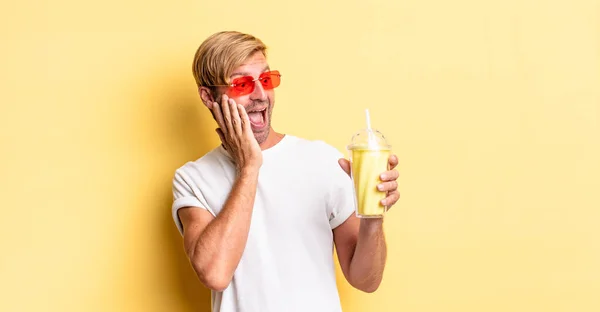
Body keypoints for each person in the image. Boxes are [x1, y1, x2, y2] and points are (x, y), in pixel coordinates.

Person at [171, 31, 401, 312]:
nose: (260, 95)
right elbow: (215, 274)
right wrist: (249, 167)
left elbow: (366, 280)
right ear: (209, 97)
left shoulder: (322, 160)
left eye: (266, 80)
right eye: (242, 84)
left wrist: (373, 216)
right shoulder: (193, 179)